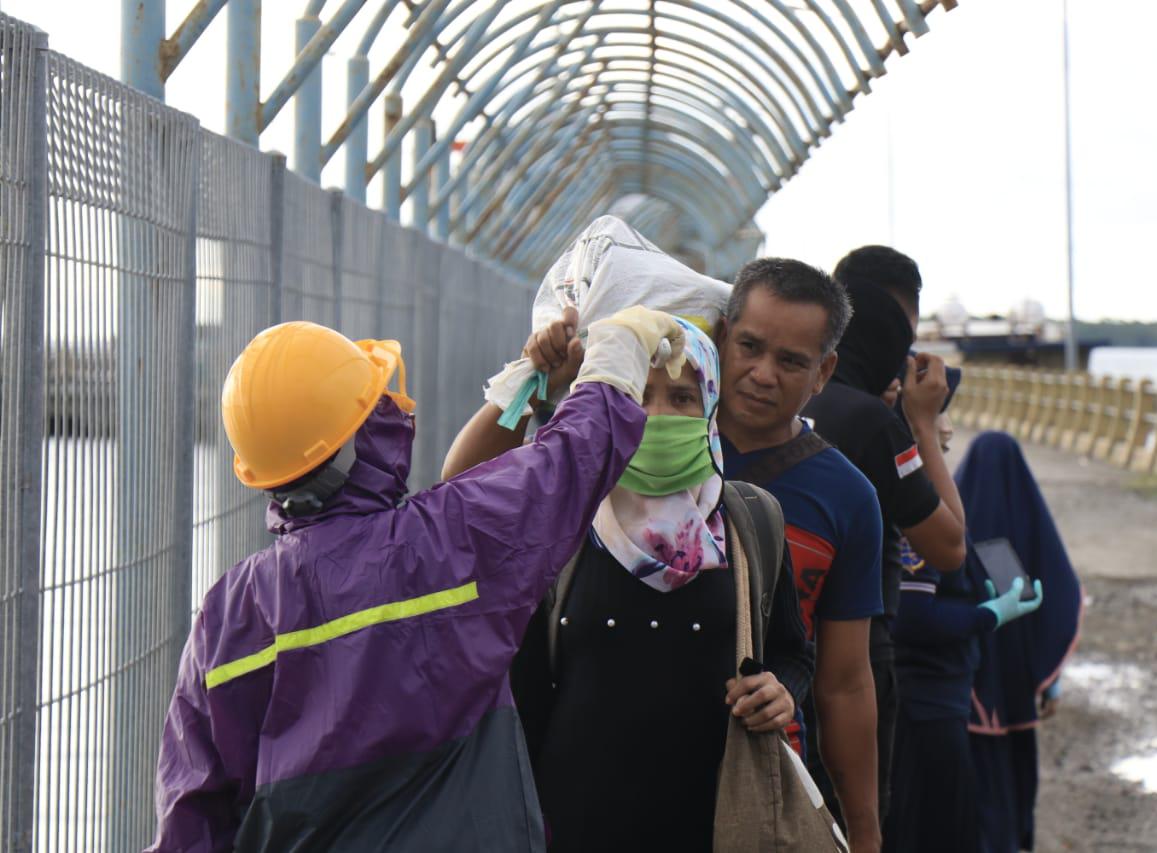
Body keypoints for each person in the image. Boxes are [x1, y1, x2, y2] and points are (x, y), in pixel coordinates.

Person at [148, 309, 686, 851]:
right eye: (378, 401)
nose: (395, 406)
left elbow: (190, 815)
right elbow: (570, 462)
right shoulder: (444, 546)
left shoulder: (225, 617)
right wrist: (618, 353)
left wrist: (532, 378)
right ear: (357, 445)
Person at [442, 315, 815, 852]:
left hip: (714, 823)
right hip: (568, 824)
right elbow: (458, 489)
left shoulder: (751, 521)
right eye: (636, 395)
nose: (657, 416)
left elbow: (792, 653)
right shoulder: (561, 510)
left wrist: (781, 692)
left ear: (710, 405)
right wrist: (536, 379)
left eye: (683, 398)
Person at [712, 258, 885, 853]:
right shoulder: (643, 447)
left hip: (768, 781)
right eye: (750, 347)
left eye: (790, 362)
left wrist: (863, 829)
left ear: (823, 371)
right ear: (720, 338)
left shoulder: (849, 498)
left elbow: (843, 682)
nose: (763, 374)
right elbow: (467, 483)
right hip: (629, 767)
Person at [802, 245, 968, 823]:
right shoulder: (874, 423)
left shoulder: (781, 402)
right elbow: (949, 547)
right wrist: (919, 422)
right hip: (854, 657)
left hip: (761, 651)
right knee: (851, 819)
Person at [883, 414, 1046, 853]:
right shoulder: (922, 511)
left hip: (939, 697)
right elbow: (913, 618)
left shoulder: (932, 502)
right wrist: (988, 615)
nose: (949, 431)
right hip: (926, 704)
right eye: (939, 422)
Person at [955, 431, 1081, 853]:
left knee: (973, 779)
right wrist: (1051, 681)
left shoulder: (953, 518)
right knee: (1013, 770)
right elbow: (1059, 592)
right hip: (1017, 680)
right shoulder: (1029, 520)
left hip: (966, 681)